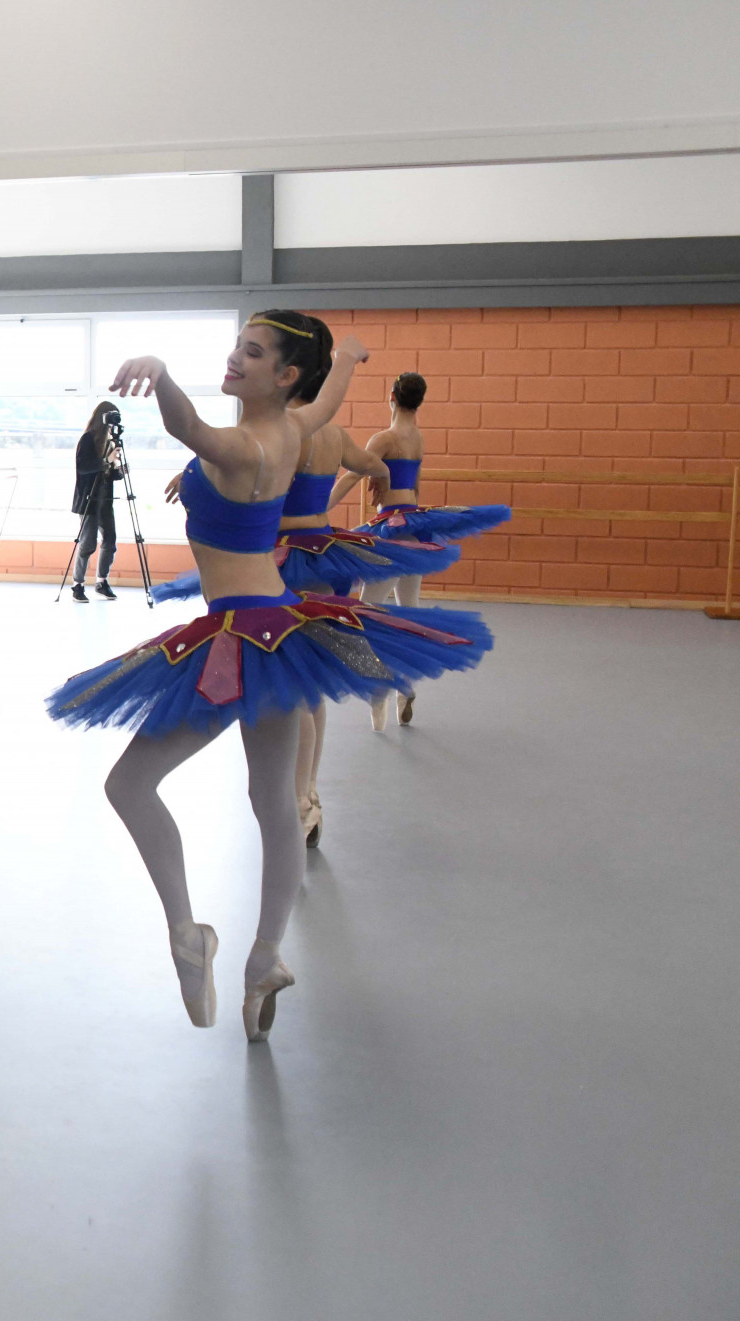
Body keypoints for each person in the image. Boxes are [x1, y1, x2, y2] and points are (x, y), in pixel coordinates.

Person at [47, 313, 492, 1042]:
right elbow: (326, 401)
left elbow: (189, 427)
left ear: (284, 374)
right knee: (273, 799)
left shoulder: (246, 444)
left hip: (236, 634)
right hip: (281, 623)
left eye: (251, 353)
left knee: (129, 785)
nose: (234, 358)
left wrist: (162, 374)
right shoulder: (293, 425)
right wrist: (345, 358)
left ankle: (188, 935)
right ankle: (265, 957)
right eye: (237, 346)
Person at [152, 371, 463, 846]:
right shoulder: (337, 434)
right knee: (313, 673)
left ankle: (301, 795)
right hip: (323, 552)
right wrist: (379, 483)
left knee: (293, 676)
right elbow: (370, 466)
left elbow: (238, 460)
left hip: (282, 558)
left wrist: (197, 474)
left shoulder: (284, 433)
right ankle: (309, 792)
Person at [333, 371, 512, 729]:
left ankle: (380, 693)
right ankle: (406, 686)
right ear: (419, 402)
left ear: (391, 397)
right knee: (409, 610)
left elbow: (353, 474)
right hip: (414, 528)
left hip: (390, 528)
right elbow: (415, 488)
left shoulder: (383, 438)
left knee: (367, 614)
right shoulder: (417, 438)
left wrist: (321, 508)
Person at [68, 401, 124, 602]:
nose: (113, 423)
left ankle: (102, 582)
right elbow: (83, 467)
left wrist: (118, 469)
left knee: (110, 541)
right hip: (88, 499)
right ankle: (77, 584)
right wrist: (106, 460)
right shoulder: (88, 439)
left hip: (105, 499)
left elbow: (109, 474)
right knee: (88, 543)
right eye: (111, 418)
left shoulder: (110, 441)